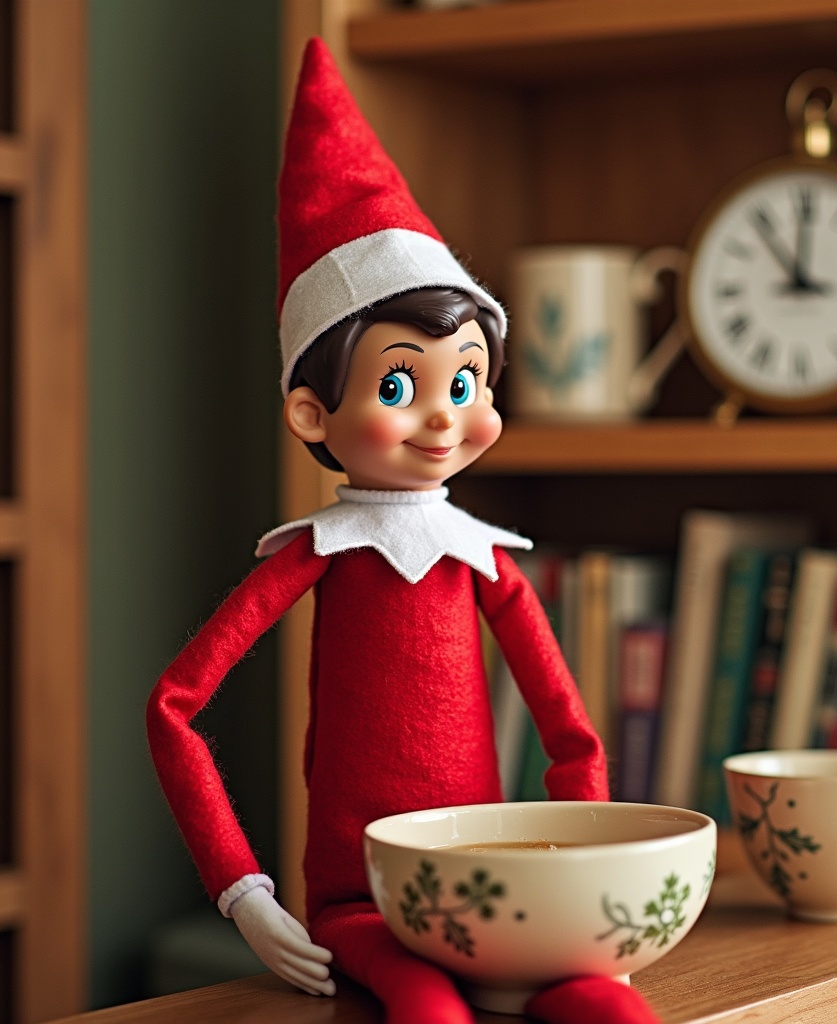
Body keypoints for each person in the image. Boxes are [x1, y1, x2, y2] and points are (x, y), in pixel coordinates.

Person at [147, 38, 659, 1024]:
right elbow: (173, 706)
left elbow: (572, 735)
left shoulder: (483, 561)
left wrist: (589, 888)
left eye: (465, 381)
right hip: (362, 899)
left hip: (495, 884)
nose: (442, 415)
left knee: (613, 1009)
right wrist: (243, 891)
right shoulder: (316, 555)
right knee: (427, 1011)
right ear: (310, 414)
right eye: (398, 383)